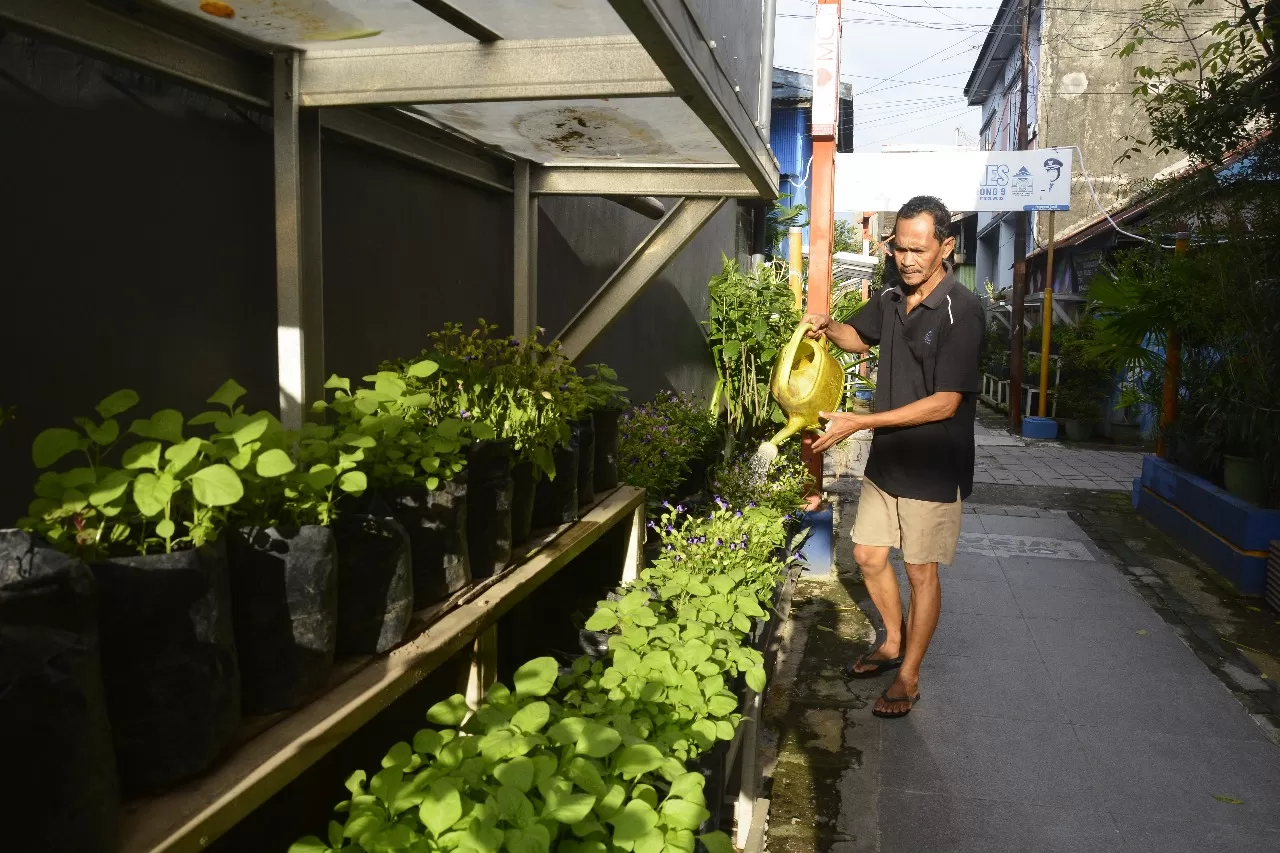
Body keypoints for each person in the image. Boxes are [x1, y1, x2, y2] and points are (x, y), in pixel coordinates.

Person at [803, 195, 983, 719]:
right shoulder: (889, 297)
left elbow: (946, 402)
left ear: (945, 248)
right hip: (889, 460)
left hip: (934, 464)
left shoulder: (962, 311)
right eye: (899, 248)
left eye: (918, 250)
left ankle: (909, 673)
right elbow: (859, 339)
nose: (906, 259)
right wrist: (826, 325)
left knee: (921, 570)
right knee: (867, 556)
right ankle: (891, 641)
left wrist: (859, 422)